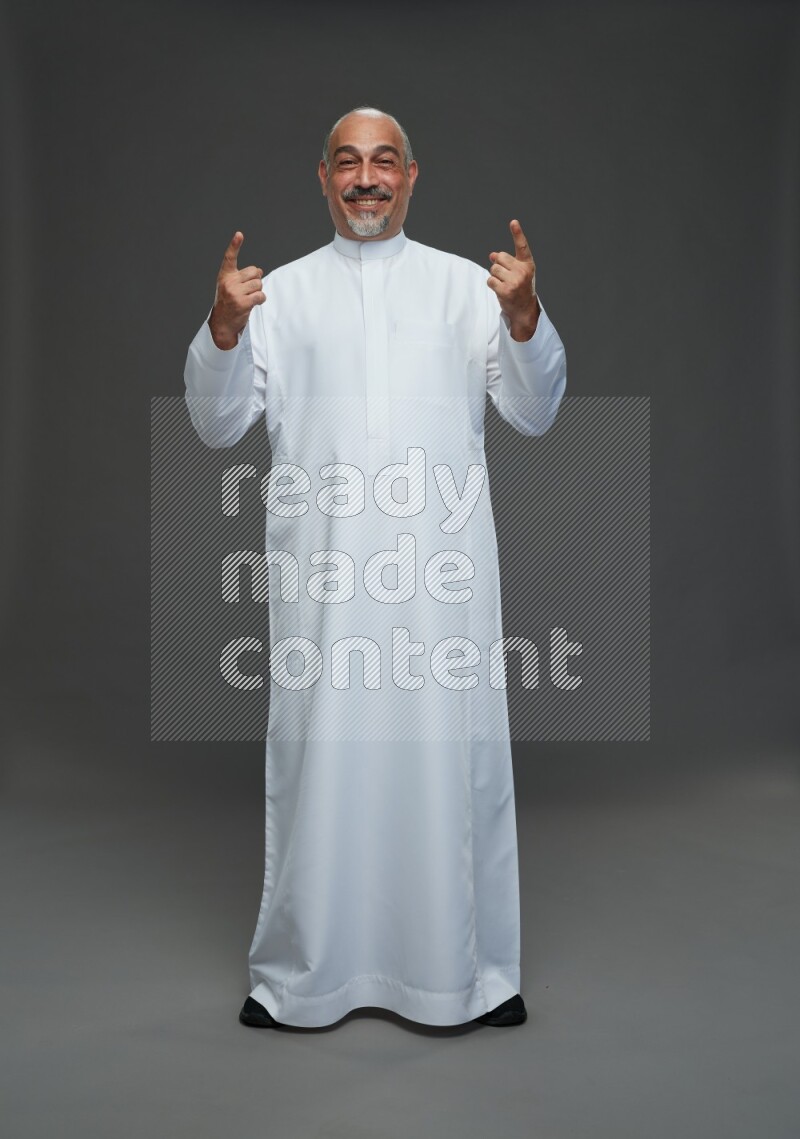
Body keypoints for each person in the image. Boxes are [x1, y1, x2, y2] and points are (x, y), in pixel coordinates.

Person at [183, 106, 567, 1029]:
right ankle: (299, 977)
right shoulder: (278, 296)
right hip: (323, 583)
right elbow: (215, 423)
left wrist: (525, 318)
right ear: (322, 178)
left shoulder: (468, 289)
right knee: (322, 762)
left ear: (412, 175)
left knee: (449, 764)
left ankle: (466, 975)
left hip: (440, 583)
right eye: (348, 163)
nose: (366, 178)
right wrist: (222, 331)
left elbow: (536, 411)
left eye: (383, 162)